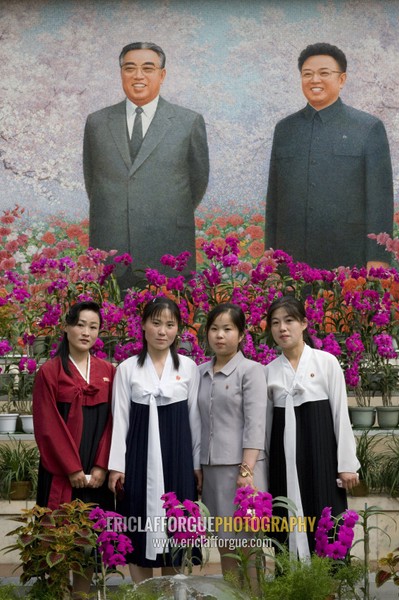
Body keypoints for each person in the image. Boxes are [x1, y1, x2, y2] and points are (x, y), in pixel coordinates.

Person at [83, 42, 209, 290]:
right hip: (112, 250)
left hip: (167, 249)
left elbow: (197, 183)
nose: (138, 75)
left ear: (162, 75)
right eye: (130, 68)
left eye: (147, 68)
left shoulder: (188, 121)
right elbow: (93, 183)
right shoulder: (97, 122)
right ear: (121, 73)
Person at [265, 42, 394, 271]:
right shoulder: (285, 129)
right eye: (307, 74)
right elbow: (274, 200)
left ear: (341, 79)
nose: (315, 80)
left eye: (324, 73)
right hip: (291, 261)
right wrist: (270, 258)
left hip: (348, 259)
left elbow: (380, 202)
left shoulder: (368, 127)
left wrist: (378, 259)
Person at [108, 296, 201, 582]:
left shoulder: (188, 368)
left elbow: (195, 418)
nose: (162, 331)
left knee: (178, 528)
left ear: (178, 330)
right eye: (156, 323)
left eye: (170, 325)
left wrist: (196, 465)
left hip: (178, 457)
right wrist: (116, 466)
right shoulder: (126, 369)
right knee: (137, 524)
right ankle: (143, 592)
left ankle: (177, 590)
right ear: (144, 326)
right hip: (138, 457)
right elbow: (120, 418)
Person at [265, 296, 359, 558]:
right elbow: (266, 429)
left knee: (327, 522)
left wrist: (346, 464)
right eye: (275, 323)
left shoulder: (326, 362)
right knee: (286, 520)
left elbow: (341, 414)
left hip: (322, 458)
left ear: (304, 323)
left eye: (289, 321)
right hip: (283, 462)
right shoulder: (268, 371)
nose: (282, 328)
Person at [33, 301, 115, 599]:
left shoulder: (108, 371)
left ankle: (83, 595)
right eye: (80, 324)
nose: (86, 332)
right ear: (66, 327)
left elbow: (112, 424)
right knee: (57, 538)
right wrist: (71, 468)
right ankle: (57, 593)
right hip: (61, 472)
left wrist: (100, 467)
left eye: (93, 327)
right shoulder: (50, 372)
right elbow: (47, 425)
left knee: (89, 541)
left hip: (95, 473)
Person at [198, 303, 267, 581]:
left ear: (241, 335)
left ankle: (253, 594)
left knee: (248, 541)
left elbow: (255, 423)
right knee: (225, 542)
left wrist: (246, 471)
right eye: (214, 329)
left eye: (228, 329)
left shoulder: (251, 371)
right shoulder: (200, 371)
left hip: (243, 471)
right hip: (213, 471)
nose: (220, 336)